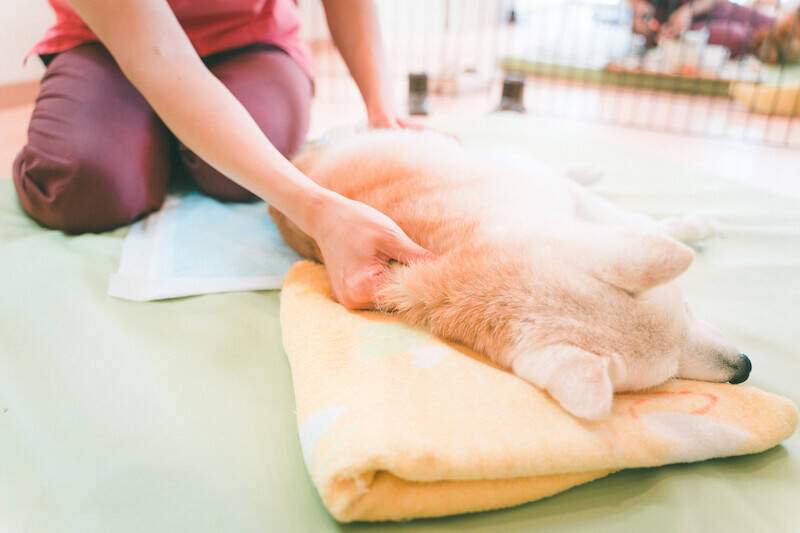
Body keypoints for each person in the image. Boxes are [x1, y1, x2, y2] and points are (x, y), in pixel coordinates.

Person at [13, 0, 434, 310]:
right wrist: (321, 213)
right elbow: (159, 55)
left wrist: (382, 109)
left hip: (250, 36)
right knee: (80, 186)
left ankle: (174, 142)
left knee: (235, 174)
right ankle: (165, 138)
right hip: (108, 38)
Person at [631, 0, 776, 57]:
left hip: (715, 8)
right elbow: (638, 14)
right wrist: (640, 12)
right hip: (686, 31)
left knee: (772, 24)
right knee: (737, 36)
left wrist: (689, 10)